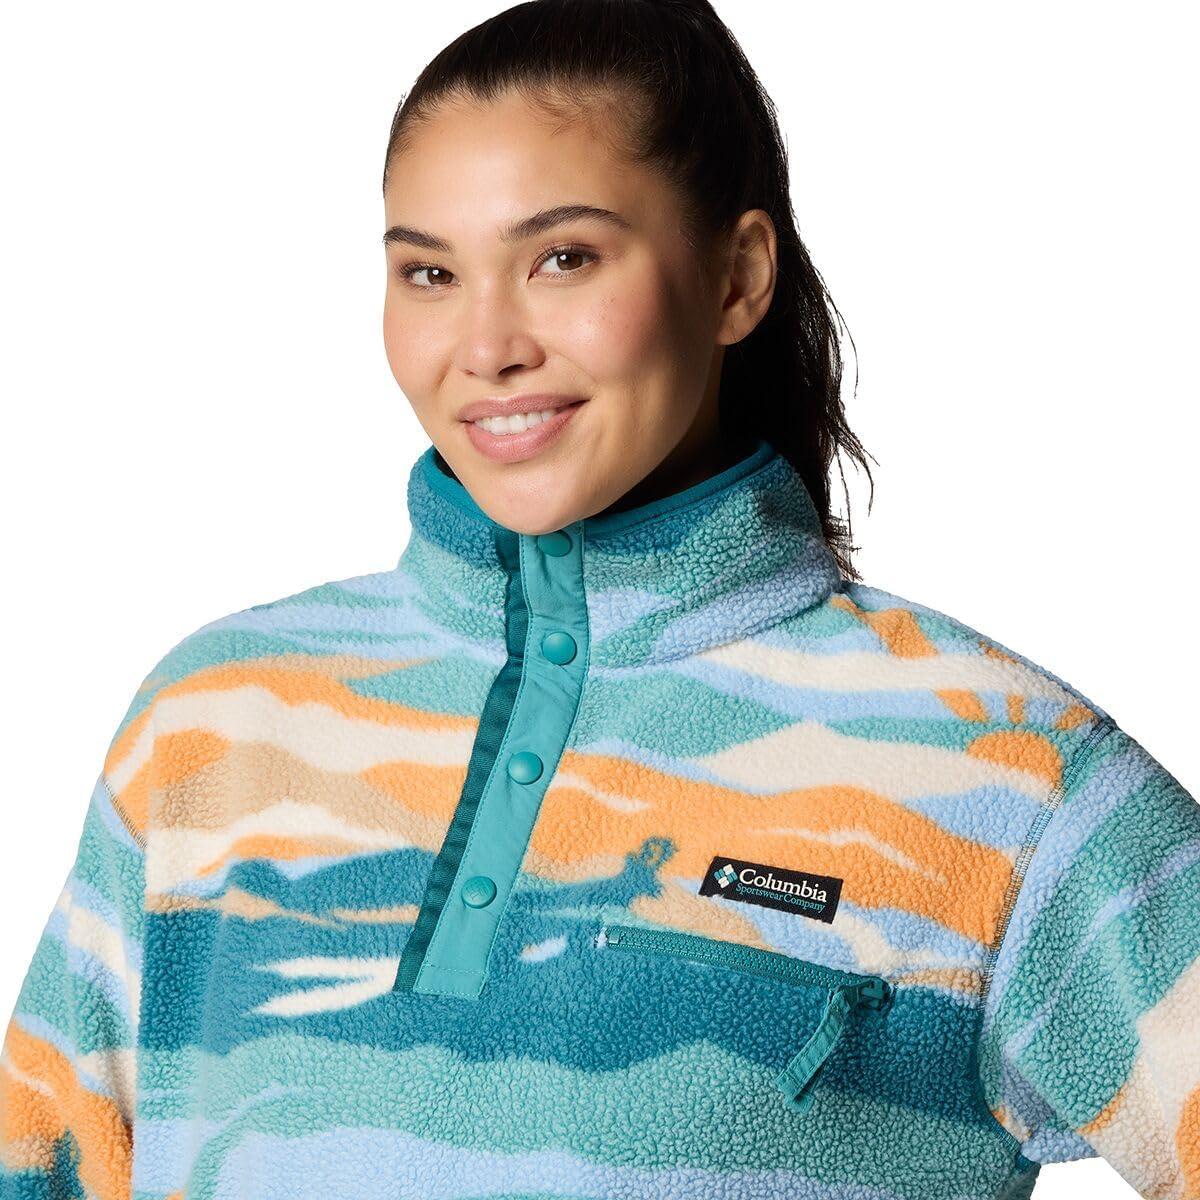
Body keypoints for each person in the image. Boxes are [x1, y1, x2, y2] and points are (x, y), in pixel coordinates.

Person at [2, 0, 1197, 1197]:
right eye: (429, 272)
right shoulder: (213, 722)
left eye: (562, 258)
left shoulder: (1001, 772)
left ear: (737, 278)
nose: (486, 345)